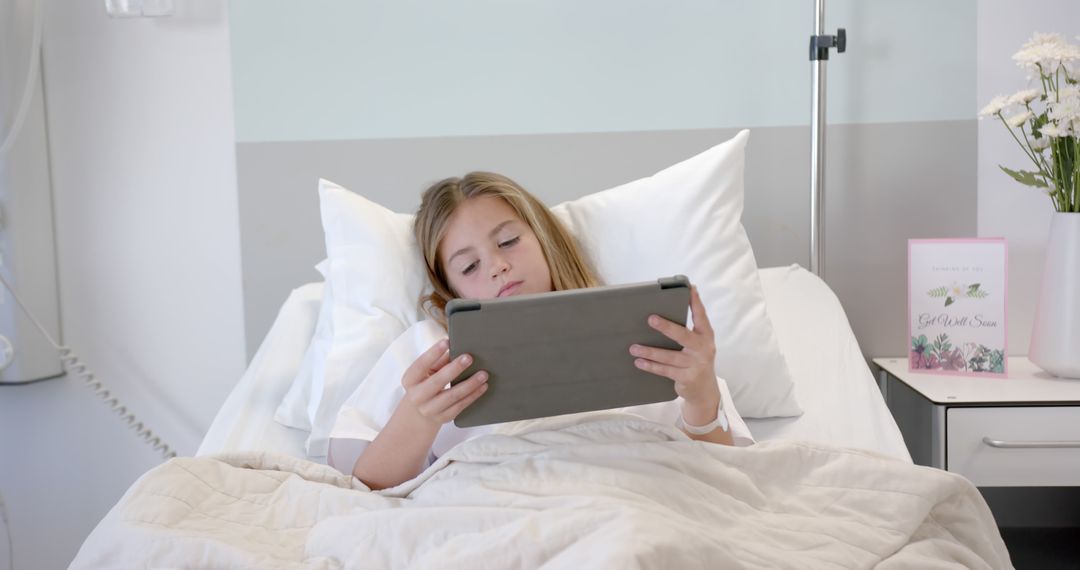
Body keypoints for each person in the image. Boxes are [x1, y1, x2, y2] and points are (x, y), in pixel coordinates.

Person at [328, 172, 753, 489]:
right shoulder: (427, 352)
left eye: (508, 241)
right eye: (469, 266)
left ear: (545, 238)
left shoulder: (643, 326)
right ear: (449, 286)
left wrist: (700, 394)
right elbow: (359, 487)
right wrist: (418, 418)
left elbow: (722, 477)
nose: (497, 265)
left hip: (629, 499)